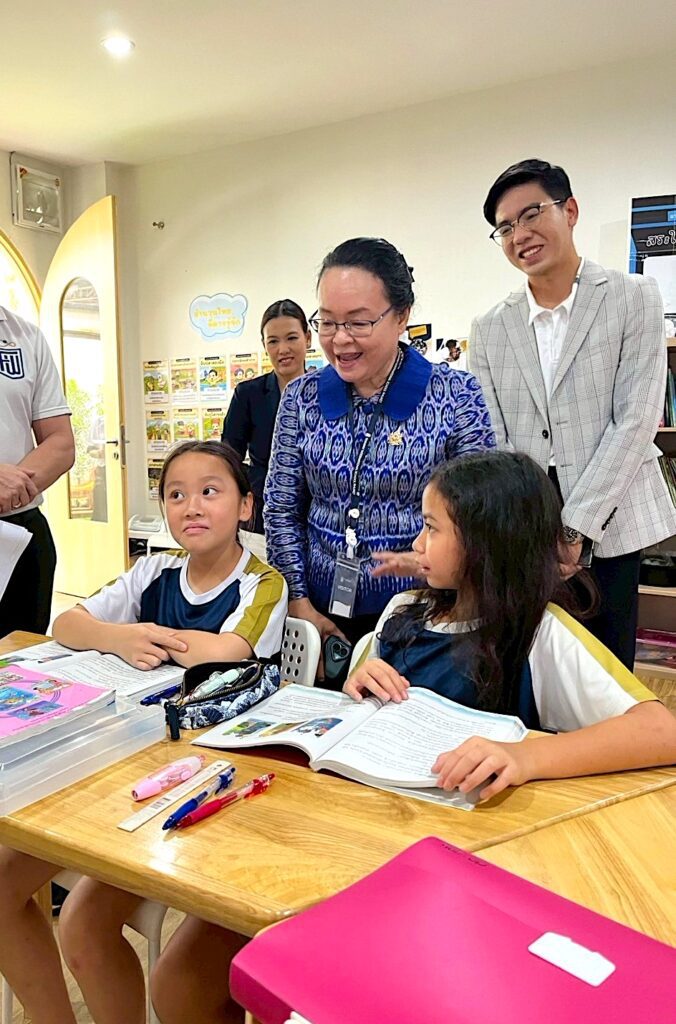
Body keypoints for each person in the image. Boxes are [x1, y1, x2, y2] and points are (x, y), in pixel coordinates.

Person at [0, 439, 287, 1024]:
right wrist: (120, 637)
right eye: (176, 495)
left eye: (211, 491)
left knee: (82, 924)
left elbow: (228, 652)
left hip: (204, 777)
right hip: (117, 754)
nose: (192, 507)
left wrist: (138, 633)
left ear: (245, 506)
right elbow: (67, 622)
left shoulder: (263, 583)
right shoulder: (154, 569)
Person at [344, 451, 676, 800]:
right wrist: (358, 684)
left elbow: (661, 731)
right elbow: (352, 714)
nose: (417, 544)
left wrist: (525, 757)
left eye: (431, 528)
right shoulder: (402, 611)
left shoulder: (541, 633)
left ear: (485, 543)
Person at [469, 159, 676, 669]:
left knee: (605, 669)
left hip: (610, 511)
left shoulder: (633, 297)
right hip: (527, 518)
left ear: (571, 210)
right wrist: (533, 527)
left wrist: (574, 528)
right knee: (534, 666)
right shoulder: (491, 326)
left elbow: (636, 418)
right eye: (505, 226)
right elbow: (494, 437)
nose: (520, 234)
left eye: (532, 213)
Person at [264, 237, 495, 662]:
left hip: (427, 613)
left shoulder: (455, 395)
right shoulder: (302, 397)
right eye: (327, 322)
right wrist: (297, 600)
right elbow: (281, 507)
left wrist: (434, 580)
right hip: (319, 615)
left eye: (358, 322)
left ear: (402, 316)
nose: (339, 340)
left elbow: (480, 516)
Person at [0, 306, 74, 636]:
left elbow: (60, 442)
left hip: (21, 530)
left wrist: (8, 490)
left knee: (20, 672)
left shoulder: (24, 336)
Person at [222, 299, 311, 534]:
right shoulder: (248, 394)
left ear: (308, 338)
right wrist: (249, 493)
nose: (283, 349)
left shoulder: (328, 391)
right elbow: (229, 456)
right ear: (264, 345)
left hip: (317, 512)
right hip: (263, 511)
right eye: (273, 341)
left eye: (292, 338)